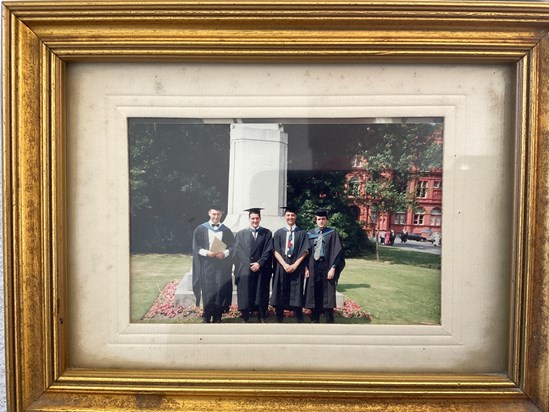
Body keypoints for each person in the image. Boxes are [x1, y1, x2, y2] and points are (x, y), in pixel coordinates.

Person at [192, 206, 235, 323]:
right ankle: (207, 316)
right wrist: (207, 253)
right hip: (207, 263)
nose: (216, 217)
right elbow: (196, 247)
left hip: (221, 264)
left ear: (221, 215)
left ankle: (217, 316)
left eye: (218, 215)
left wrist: (225, 253)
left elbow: (232, 247)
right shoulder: (201, 229)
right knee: (208, 289)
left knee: (219, 288)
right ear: (209, 213)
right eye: (214, 214)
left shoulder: (226, 230)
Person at [304, 209, 345, 323]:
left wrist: (333, 268)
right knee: (314, 289)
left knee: (328, 290)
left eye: (323, 219)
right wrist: (306, 267)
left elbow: (338, 252)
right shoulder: (310, 233)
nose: (321, 221)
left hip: (327, 264)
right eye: (319, 219)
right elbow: (305, 252)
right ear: (315, 220)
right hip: (313, 265)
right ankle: (314, 316)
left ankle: (329, 317)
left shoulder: (332, 233)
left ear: (327, 220)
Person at [270, 206, 310, 323]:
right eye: (288, 215)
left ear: (295, 217)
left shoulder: (302, 233)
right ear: (284, 217)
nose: (290, 217)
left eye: (292, 215)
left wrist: (295, 265)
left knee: (296, 290)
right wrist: (284, 264)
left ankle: (299, 316)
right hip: (282, 266)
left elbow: (305, 251)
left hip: (296, 267)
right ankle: (279, 316)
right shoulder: (278, 233)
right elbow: (275, 250)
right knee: (281, 289)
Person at [233, 208, 273, 323]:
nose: (255, 220)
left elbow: (268, 250)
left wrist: (259, 263)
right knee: (245, 292)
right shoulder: (241, 234)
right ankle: (245, 315)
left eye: (257, 218)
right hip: (246, 267)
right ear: (249, 219)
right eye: (252, 218)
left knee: (261, 291)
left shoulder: (267, 233)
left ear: (260, 219)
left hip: (261, 268)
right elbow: (238, 251)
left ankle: (262, 314)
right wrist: (249, 264)